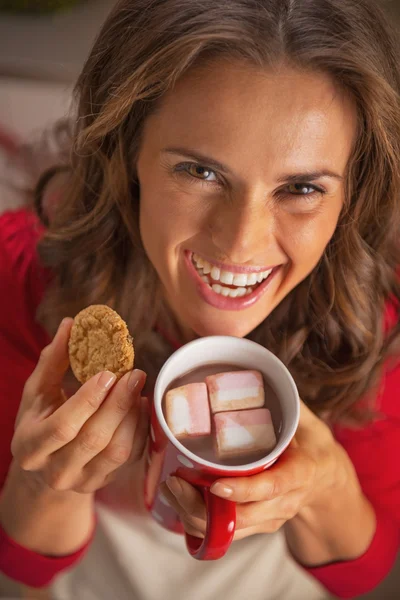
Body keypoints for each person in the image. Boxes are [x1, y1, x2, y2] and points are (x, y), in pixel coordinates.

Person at [0, 0, 399, 598]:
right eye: (199, 171)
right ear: (128, 152)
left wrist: (323, 485)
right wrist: (45, 484)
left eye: (301, 187)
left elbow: (361, 575)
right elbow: (27, 568)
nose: (241, 242)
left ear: (352, 195)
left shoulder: (374, 324)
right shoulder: (28, 278)